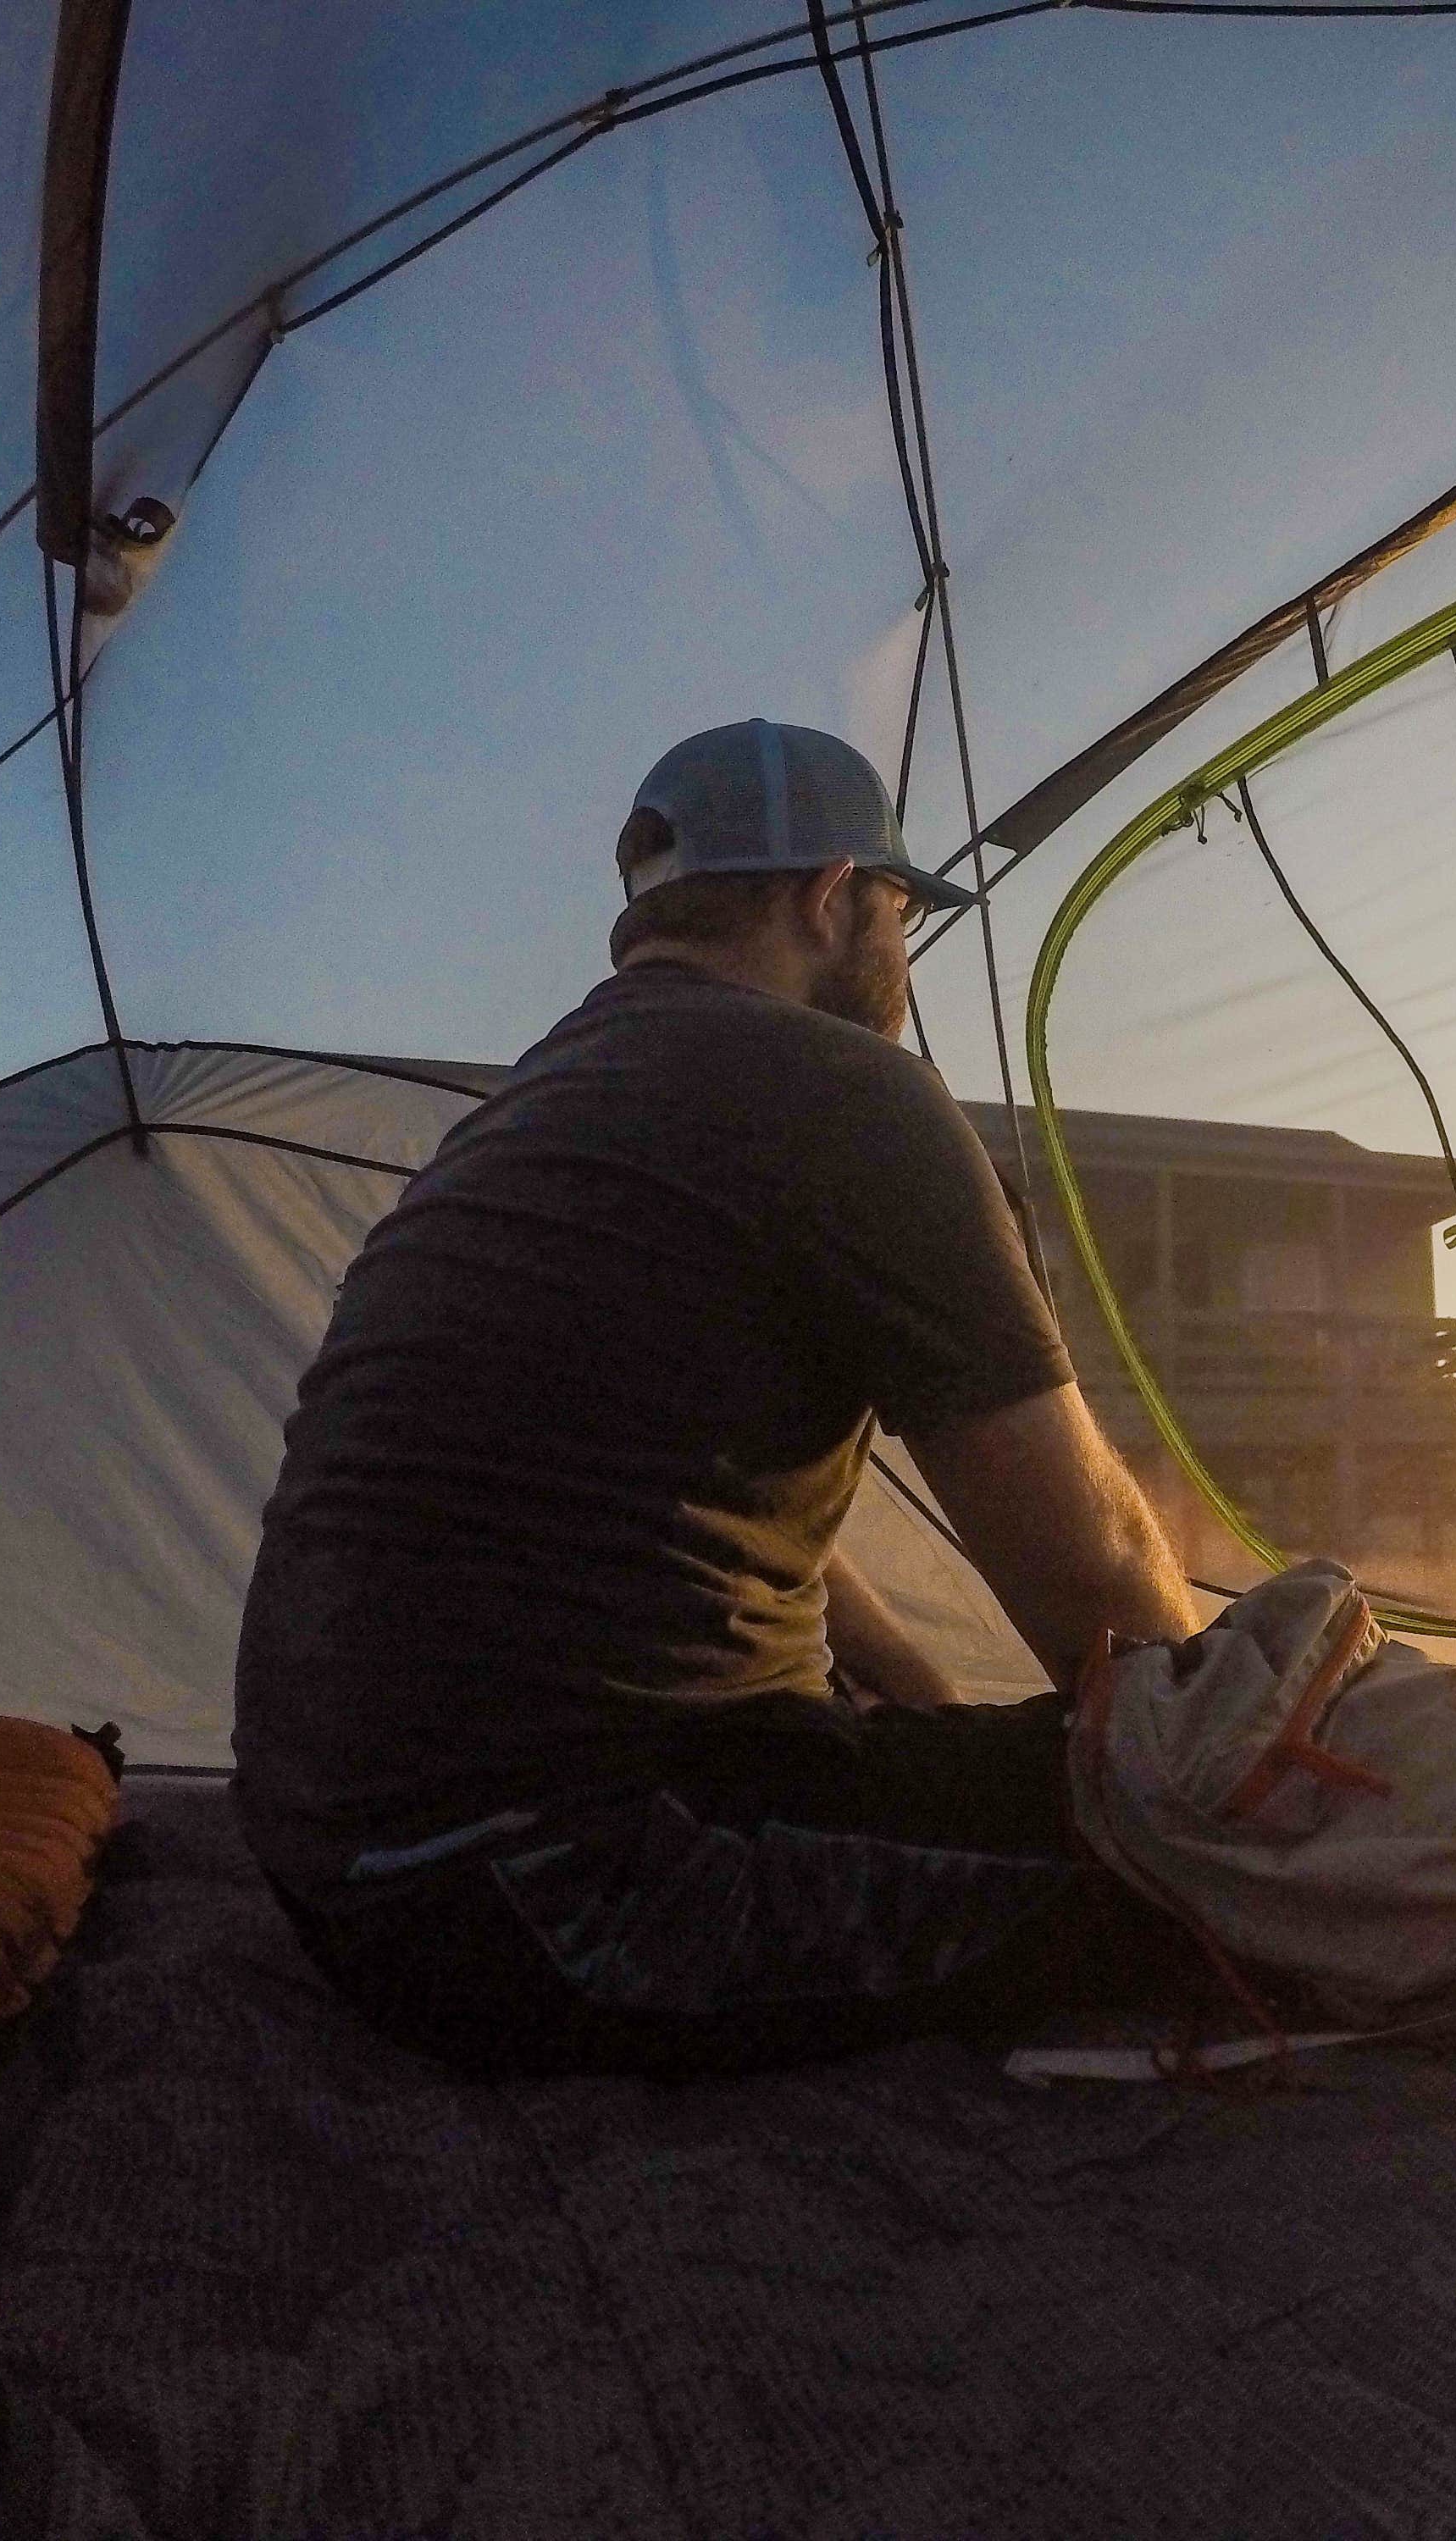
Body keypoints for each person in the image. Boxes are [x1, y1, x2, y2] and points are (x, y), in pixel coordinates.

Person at [231, 720, 1208, 2079]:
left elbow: (688, 1500)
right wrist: (1229, 1780)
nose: (901, 961)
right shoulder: (848, 1091)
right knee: (1257, 1880)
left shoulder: (533, 1108)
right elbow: (1093, 1574)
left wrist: (927, 1723)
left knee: (1006, 1773)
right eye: (896, 914)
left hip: (345, 1857)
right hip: (547, 1889)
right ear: (828, 898)